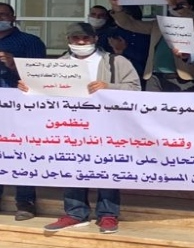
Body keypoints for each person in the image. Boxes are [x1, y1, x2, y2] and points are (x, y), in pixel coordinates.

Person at [19, 23, 140, 234]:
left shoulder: (116, 62)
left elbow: (135, 89)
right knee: (72, 167)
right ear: (68, 40)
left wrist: (109, 87)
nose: (81, 42)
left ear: (95, 39)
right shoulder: (58, 65)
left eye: (86, 38)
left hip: (106, 126)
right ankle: (75, 213)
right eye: (76, 38)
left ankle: (108, 214)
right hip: (71, 126)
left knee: (107, 168)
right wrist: (29, 89)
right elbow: (46, 94)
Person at [109, 0, 194, 92]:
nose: (174, 5)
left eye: (181, 4)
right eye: (172, 3)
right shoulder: (159, 23)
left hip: (185, 78)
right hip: (154, 76)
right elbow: (130, 24)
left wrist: (176, 6)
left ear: (190, 7)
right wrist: (118, 10)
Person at [0, 1, 46, 220]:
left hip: (20, 107)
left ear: (13, 18)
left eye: (3, 15)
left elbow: (41, 77)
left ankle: (25, 202)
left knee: (22, 153)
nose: (0, 18)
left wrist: (13, 64)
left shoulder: (30, 42)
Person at [96, 4, 150, 82]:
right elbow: (100, 55)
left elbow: (146, 57)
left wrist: (125, 49)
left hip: (139, 75)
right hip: (113, 76)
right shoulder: (110, 33)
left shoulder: (145, 34)